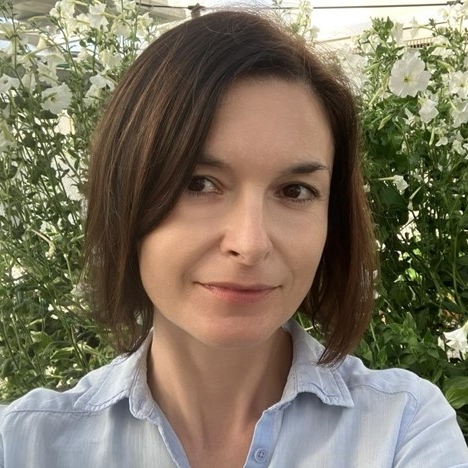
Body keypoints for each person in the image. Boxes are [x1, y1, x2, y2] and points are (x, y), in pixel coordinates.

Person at [0, 10, 467, 468]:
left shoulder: (403, 429)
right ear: (124, 195)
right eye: (199, 183)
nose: (250, 243)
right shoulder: (25, 444)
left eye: (295, 191)